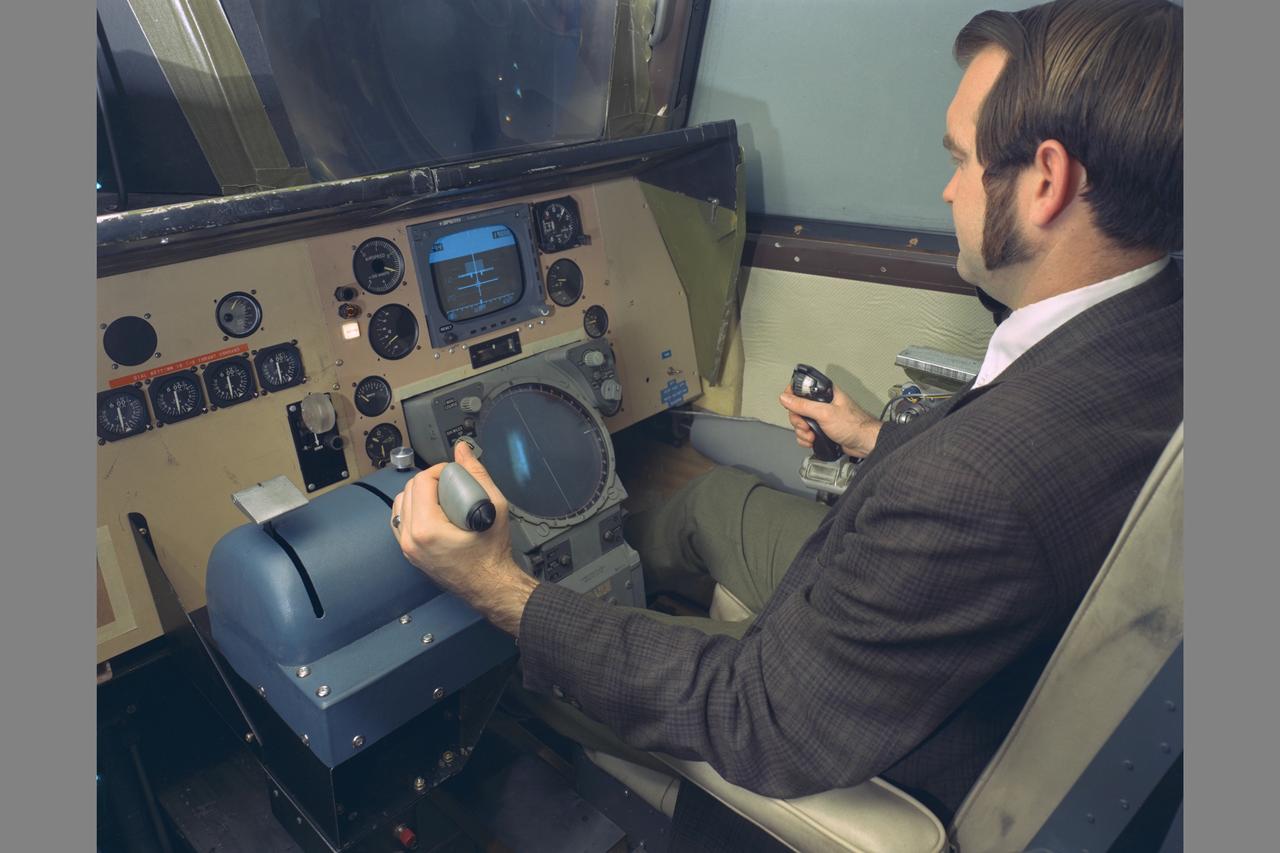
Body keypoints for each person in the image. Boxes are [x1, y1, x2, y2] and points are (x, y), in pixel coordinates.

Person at [389, 0, 1183, 821]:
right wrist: (874, 437)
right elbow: (1000, 457)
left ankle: (556, 661)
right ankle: (617, 588)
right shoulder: (1165, 323)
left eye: (960, 160)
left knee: (535, 665)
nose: (947, 187)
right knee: (710, 499)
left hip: (847, 715)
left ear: (1048, 182)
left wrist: (503, 590)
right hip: (933, 613)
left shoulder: (974, 489)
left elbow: (755, 716)